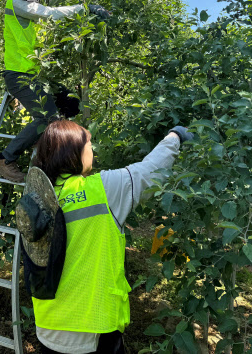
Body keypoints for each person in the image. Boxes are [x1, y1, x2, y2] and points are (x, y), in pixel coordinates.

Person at [31, 120, 193, 354]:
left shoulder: (37, 195)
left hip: (48, 326)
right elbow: (150, 170)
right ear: (73, 152)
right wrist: (175, 136)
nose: (92, 150)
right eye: (89, 144)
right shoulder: (103, 190)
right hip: (92, 330)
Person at [0, 0, 111, 183]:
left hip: (37, 73)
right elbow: (50, 13)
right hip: (20, 74)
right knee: (47, 118)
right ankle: (5, 159)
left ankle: (46, 142)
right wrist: (87, 9)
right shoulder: (18, 3)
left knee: (71, 103)